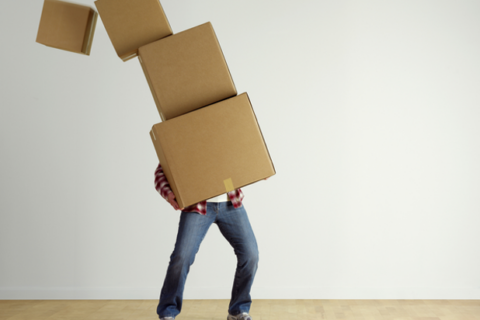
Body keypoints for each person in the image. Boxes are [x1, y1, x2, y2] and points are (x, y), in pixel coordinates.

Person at [154, 162, 259, 320]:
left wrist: (258, 169)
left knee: (251, 255)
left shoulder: (229, 137)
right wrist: (168, 193)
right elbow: (161, 172)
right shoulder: (184, 139)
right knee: (182, 257)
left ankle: (238, 310)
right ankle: (168, 312)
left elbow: (245, 157)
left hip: (230, 202)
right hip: (197, 204)